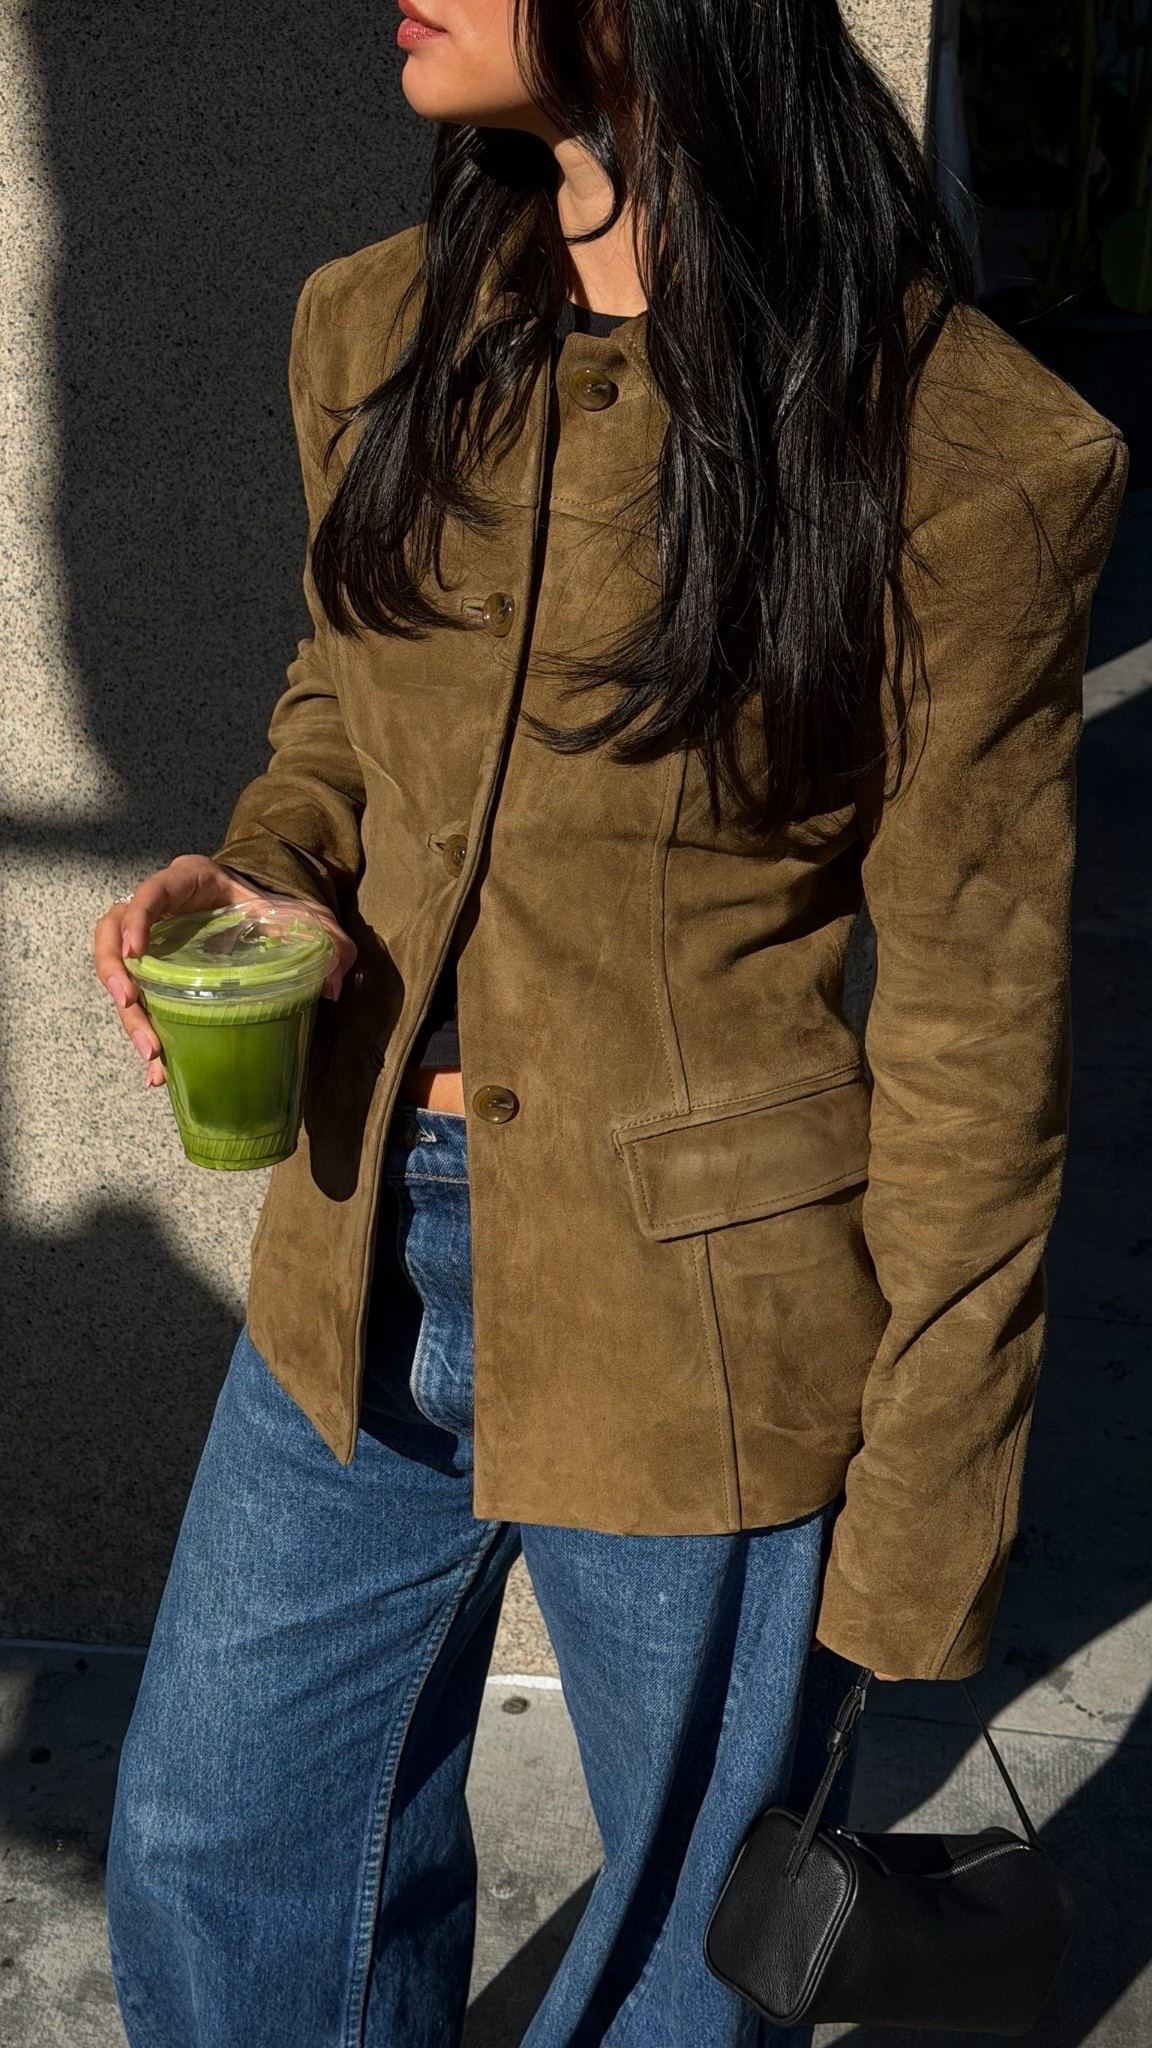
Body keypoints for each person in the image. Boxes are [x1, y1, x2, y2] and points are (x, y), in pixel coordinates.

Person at [93, 2, 1128, 2043]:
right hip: (364, 1240)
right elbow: (348, 693)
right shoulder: (378, 331)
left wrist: (919, 1523)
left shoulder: (958, 449)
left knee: (674, 1964)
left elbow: (974, 1031)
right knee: (219, 1843)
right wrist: (279, 866)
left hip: (704, 1316)